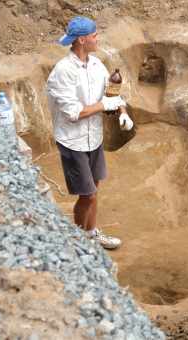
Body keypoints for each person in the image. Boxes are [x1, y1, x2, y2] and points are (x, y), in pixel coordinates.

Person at [46, 16, 133, 249]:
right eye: (95, 35)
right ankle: (80, 241)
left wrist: (122, 112)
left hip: (93, 138)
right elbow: (73, 113)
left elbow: (112, 92)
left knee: (94, 190)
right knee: (88, 195)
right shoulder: (63, 72)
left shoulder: (96, 65)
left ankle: (91, 233)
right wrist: (105, 106)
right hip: (72, 142)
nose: (98, 38)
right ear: (82, 39)